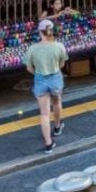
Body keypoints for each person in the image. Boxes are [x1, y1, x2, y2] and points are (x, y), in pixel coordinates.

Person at [25, 19, 68, 154]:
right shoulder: (59, 46)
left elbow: (29, 68)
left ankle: (48, 144)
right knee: (57, 102)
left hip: (40, 80)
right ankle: (57, 126)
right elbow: (62, 64)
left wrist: (38, 73)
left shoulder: (32, 48)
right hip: (55, 78)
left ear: (40, 32)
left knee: (44, 113)